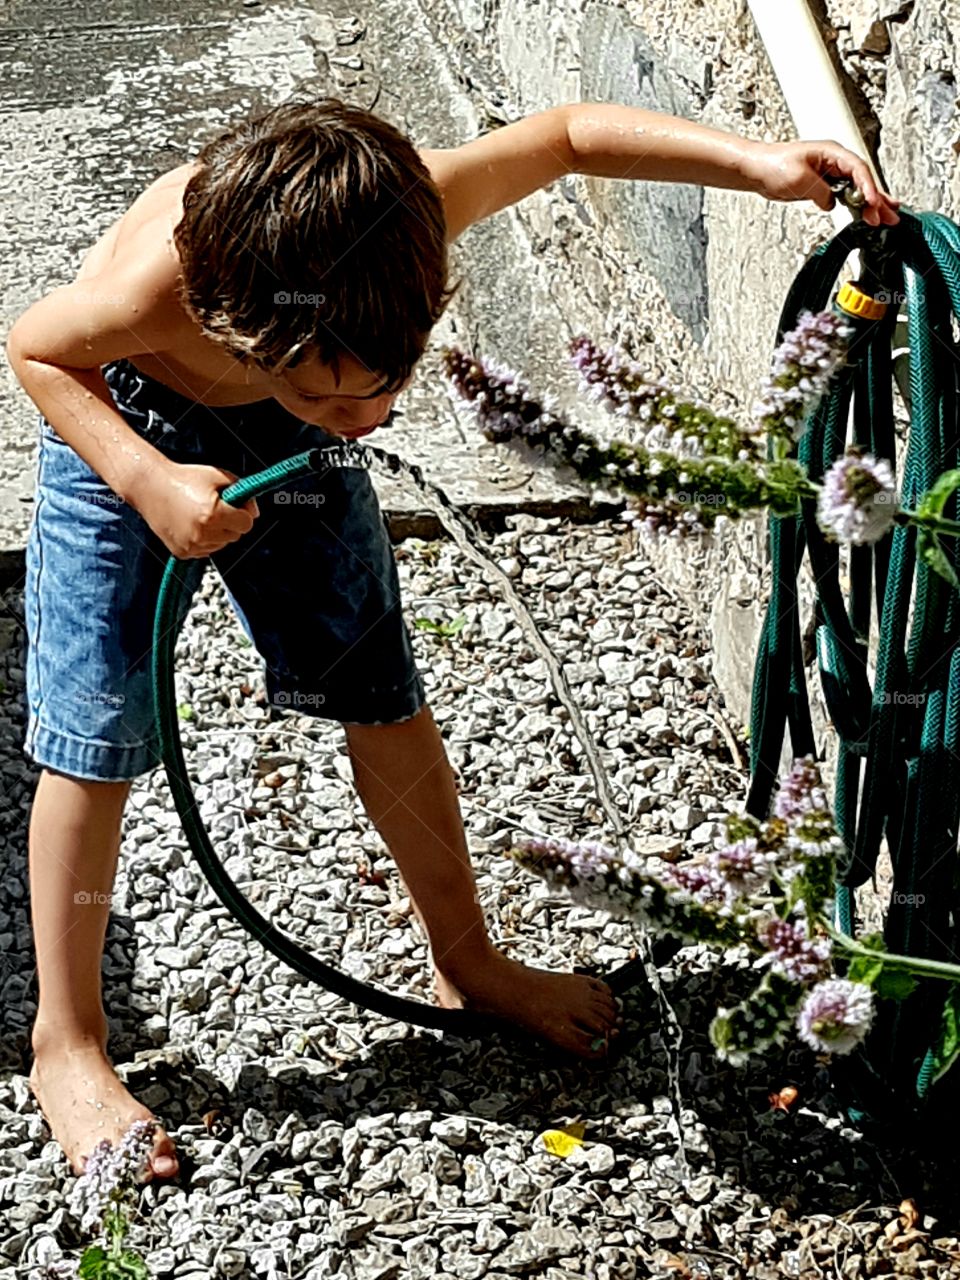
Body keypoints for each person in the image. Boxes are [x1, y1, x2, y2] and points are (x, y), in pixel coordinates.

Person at [5, 95, 900, 1182]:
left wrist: (757, 164)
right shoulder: (162, 288)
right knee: (94, 732)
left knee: (382, 693)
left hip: (277, 436)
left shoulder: (401, 224)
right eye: (337, 399)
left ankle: (467, 959)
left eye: (387, 389)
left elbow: (568, 137)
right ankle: (70, 1039)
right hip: (128, 417)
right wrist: (144, 478)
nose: (370, 421)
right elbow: (39, 348)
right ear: (251, 332)